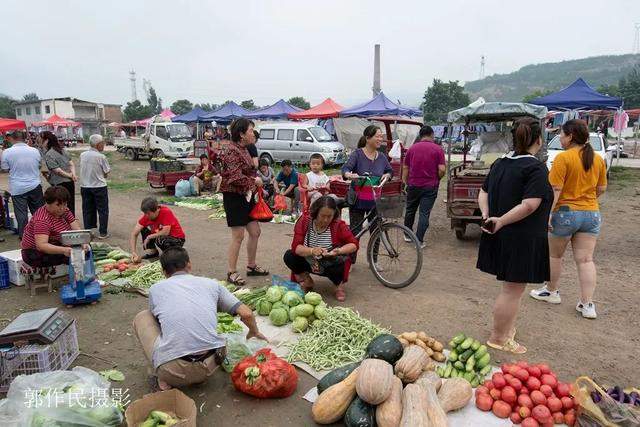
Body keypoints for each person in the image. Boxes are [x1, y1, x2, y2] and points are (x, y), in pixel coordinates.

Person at [133, 247, 266, 391]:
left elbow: (158, 320)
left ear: (164, 271)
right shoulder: (211, 284)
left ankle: (163, 380)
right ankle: (197, 376)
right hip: (212, 364)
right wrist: (254, 331)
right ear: (189, 264)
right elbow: (246, 313)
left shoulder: (156, 289)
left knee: (143, 317)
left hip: (173, 371)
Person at [477, 118, 553, 354]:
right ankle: (499, 338)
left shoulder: (500, 163)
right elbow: (529, 205)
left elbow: (483, 192)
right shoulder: (536, 168)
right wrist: (499, 220)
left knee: (511, 289)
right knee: (512, 291)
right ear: (539, 141)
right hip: (520, 237)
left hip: (503, 234)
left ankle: (505, 329)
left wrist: (488, 215)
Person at [529, 119, 607, 319]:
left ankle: (552, 291)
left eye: (562, 135)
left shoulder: (564, 159)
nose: (561, 138)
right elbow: (601, 188)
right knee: (586, 260)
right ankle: (587, 304)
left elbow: (556, 189)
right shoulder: (597, 159)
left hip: (564, 213)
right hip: (591, 213)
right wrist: (587, 203)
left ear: (570, 136)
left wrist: (548, 214)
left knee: (555, 256)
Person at [219, 118, 268, 286]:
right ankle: (231, 272)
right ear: (241, 134)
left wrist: (254, 181)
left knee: (255, 231)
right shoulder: (231, 150)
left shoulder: (244, 148)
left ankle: (251, 266)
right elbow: (234, 177)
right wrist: (254, 182)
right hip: (234, 197)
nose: (253, 133)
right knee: (238, 235)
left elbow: (247, 172)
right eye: (250, 130)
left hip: (246, 195)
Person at [284, 196, 358, 302]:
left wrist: (338, 251)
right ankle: (307, 280)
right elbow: (296, 247)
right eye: (322, 215)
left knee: (341, 262)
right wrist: (312, 251)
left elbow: (353, 244)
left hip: (328, 261)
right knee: (289, 255)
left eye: (330, 216)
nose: (326, 219)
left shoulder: (338, 225)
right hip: (309, 260)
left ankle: (338, 286)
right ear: (315, 212)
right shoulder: (304, 221)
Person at [342, 125, 393, 236]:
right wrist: (349, 175)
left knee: (376, 233)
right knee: (355, 234)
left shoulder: (382, 157)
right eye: (377, 136)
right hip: (357, 201)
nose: (380, 139)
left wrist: (387, 175)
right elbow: (346, 168)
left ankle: (373, 254)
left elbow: (390, 170)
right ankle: (351, 254)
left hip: (375, 201)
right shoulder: (357, 154)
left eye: (381, 136)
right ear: (368, 138)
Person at [402, 125, 446, 248]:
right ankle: (419, 240)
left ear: (420, 136)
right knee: (424, 213)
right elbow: (442, 169)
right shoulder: (438, 149)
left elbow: (405, 168)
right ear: (432, 135)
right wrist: (437, 178)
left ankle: (407, 234)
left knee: (410, 209)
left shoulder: (412, 149)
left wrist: (406, 182)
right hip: (430, 186)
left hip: (413, 185)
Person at [21, 186, 81, 268]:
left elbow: (77, 229)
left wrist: (82, 241)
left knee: (84, 250)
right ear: (48, 203)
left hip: (55, 243)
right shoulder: (42, 220)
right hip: (34, 252)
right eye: (58, 205)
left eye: (65, 204)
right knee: (71, 256)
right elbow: (41, 245)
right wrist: (64, 250)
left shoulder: (64, 210)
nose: (62, 208)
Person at [1, 130, 44, 238]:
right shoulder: (35, 151)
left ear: (13, 139)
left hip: (18, 187)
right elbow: (39, 165)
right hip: (35, 185)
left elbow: (5, 169)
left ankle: (25, 237)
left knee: (21, 214)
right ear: (24, 138)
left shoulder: (7, 152)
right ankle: (41, 234)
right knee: (38, 213)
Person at [130, 197, 186, 262]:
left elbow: (165, 232)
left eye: (148, 213)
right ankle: (153, 252)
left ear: (157, 210)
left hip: (177, 239)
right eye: (145, 213)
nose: (146, 216)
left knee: (160, 239)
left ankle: (171, 255)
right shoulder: (147, 216)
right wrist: (133, 252)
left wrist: (149, 237)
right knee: (144, 229)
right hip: (163, 236)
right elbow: (134, 233)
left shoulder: (166, 212)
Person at [80, 134, 111, 239]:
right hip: (99, 186)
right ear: (98, 145)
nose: (104, 145)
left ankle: (88, 231)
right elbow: (106, 173)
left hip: (85, 186)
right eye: (102, 143)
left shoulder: (83, 155)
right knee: (103, 210)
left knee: (87, 209)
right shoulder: (101, 157)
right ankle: (103, 232)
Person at [42, 131, 77, 216]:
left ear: (47, 141)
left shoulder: (49, 154)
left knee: (59, 204)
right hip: (69, 182)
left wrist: (70, 175)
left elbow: (57, 170)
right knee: (70, 203)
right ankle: (71, 221)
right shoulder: (62, 150)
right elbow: (71, 163)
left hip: (59, 183)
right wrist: (73, 175)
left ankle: (63, 223)